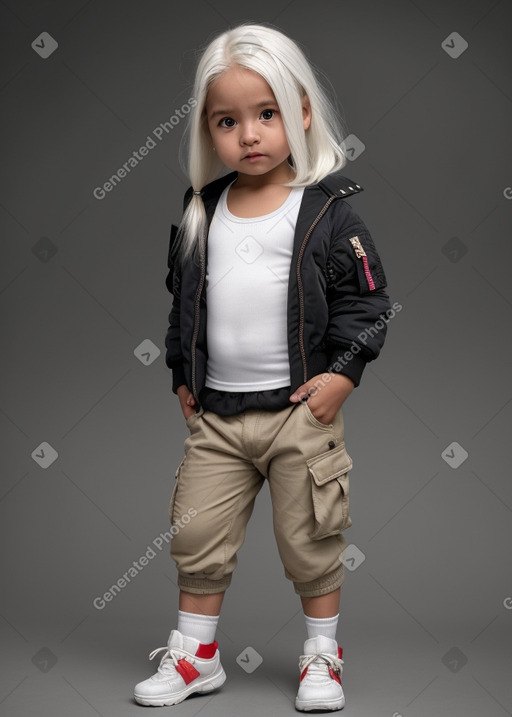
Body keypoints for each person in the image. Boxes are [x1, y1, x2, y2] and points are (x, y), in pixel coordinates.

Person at [134, 22, 391, 712]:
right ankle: (197, 656)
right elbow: (182, 301)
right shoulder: (201, 210)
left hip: (298, 414)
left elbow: (368, 304)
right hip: (217, 414)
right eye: (228, 120)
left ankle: (322, 654)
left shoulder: (329, 213)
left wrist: (342, 375)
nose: (248, 134)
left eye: (267, 113)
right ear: (207, 131)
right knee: (195, 533)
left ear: (302, 112)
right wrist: (182, 375)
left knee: (312, 535)